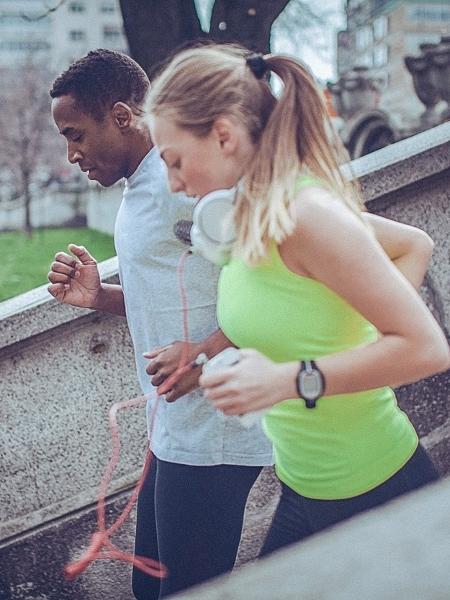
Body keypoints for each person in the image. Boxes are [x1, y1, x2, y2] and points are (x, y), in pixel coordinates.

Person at [146, 44, 450, 558]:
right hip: (303, 488)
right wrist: (349, 333)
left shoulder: (307, 214)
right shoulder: (246, 218)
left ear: (223, 135)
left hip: (374, 491)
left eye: (175, 162)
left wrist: (292, 378)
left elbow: (427, 349)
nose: (174, 184)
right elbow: (410, 243)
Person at [47, 49, 273, 600]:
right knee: (149, 587)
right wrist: (99, 298)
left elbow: (280, 290)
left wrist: (205, 352)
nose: (71, 153)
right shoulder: (140, 188)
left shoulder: (192, 185)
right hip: (171, 427)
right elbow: (169, 301)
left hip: (217, 427)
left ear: (122, 117)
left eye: (76, 134)